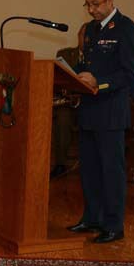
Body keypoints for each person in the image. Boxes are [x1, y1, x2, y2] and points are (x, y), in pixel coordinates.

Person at [68, 0, 134, 244]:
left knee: (111, 171)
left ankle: (113, 225)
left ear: (110, 0)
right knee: (89, 170)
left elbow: (128, 73)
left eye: (95, 4)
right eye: (87, 4)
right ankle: (91, 218)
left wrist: (98, 83)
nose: (91, 9)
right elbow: (85, 66)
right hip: (88, 110)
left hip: (111, 112)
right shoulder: (89, 29)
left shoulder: (126, 28)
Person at [51, 24, 85, 177]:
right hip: (67, 103)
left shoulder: (99, 57)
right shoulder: (65, 54)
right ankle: (60, 163)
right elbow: (56, 80)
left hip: (89, 103)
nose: (86, 39)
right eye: (83, 35)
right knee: (62, 118)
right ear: (78, 36)